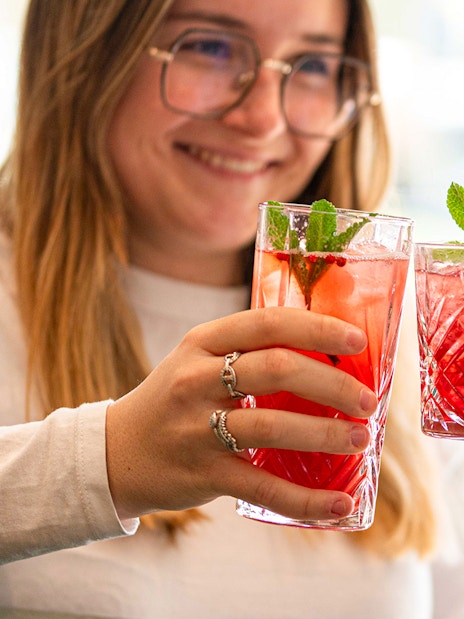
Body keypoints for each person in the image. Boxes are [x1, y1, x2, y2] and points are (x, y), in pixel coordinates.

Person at [0, 0, 461, 617]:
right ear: (83, 55)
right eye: (209, 46)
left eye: (315, 63)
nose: (263, 117)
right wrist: (109, 462)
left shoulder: (407, 343)